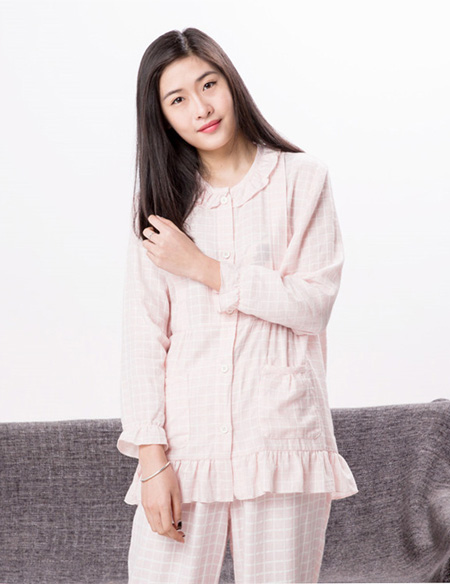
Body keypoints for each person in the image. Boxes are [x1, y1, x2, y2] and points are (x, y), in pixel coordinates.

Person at [116, 26, 358, 584]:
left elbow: (313, 304)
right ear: (161, 116)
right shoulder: (158, 204)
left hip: (282, 441)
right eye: (178, 99)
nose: (201, 108)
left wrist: (204, 268)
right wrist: (152, 462)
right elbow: (143, 338)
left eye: (209, 85)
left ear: (231, 84)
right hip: (187, 447)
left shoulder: (302, 180)